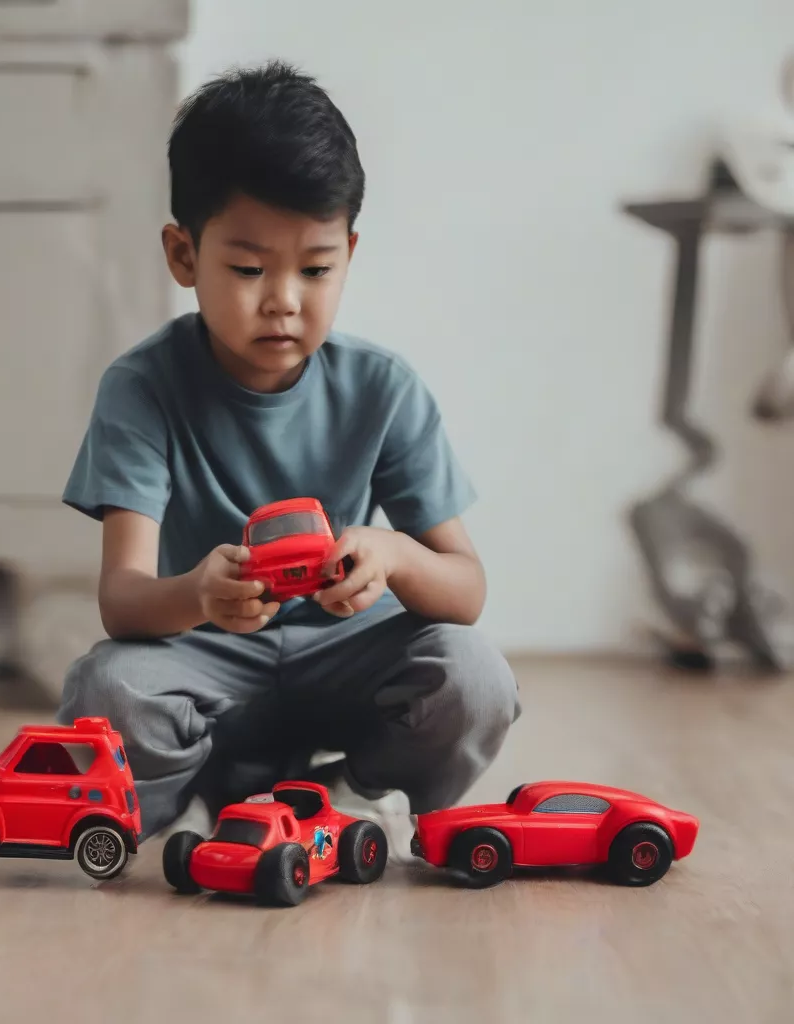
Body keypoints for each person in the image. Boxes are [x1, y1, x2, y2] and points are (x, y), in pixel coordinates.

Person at [57, 59, 520, 846]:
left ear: (350, 251)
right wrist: (200, 595)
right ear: (182, 256)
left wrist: (394, 556)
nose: (284, 299)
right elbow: (124, 598)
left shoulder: (384, 390)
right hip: (203, 667)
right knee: (107, 687)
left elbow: (467, 590)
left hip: (346, 665)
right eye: (246, 268)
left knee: (475, 675)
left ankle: (351, 793)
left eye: (316, 269)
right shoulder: (142, 388)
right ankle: (188, 803)